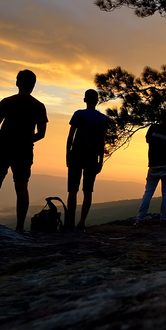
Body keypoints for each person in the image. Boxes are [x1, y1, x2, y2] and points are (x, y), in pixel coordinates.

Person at [0, 70, 48, 232]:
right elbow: (41, 134)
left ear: (17, 83)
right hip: (24, 150)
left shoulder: (6, 102)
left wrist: (1, 141)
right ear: (33, 85)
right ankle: (20, 227)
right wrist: (27, 141)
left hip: (2, 148)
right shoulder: (39, 106)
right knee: (22, 187)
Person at [66, 89, 109, 231]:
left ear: (85, 100)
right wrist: (101, 161)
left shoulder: (78, 114)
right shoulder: (103, 119)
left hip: (76, 154)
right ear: (97, 101)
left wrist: (67, 155)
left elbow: (70, 137)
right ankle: (82, 222)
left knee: (72, 190)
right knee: (88, 190)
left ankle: (70, 223)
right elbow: (102, 142)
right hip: (92, 157)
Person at [135, 110, 166, 227]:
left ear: (160, 118)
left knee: (148, 193)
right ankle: (164, 219)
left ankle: (140, 218)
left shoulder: (153, 128)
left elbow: (147, 140)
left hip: (153, 164)